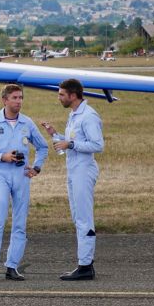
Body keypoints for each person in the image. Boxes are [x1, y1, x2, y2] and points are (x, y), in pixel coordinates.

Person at [0, 84, 48, 283]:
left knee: (20, 223)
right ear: (5, 100)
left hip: (22, 177)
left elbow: (42, 147)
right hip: (1, 175)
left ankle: (12, 267)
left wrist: (36, 167)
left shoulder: (27, 123)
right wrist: (3, 156)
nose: (19, 101)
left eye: (21, 98)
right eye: (15, 98)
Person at [41, 78, 103, 281]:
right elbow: (72, 142)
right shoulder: (74, 114)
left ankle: (85, 266)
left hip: (84, 171)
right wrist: (55, 135)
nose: (59, 98)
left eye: (61, 94)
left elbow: (97, 144)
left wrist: (71, 144)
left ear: (73, 95)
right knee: (78, 217)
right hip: (73, 170)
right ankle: (84, 263)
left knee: (84, 218)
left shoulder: (88, 116)